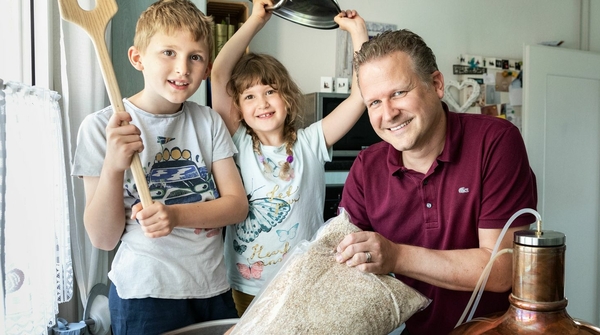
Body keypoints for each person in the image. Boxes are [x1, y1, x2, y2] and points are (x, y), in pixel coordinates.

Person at [334, 29, 538, 335]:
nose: (388, 114)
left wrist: (396, 256)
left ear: (437, 84)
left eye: (399, 93)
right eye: (374, 103)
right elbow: (342, 268)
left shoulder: (495, 142)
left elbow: (501, 269)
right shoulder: (366, 167)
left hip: (491, 331)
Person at [71, 0, 248, 333]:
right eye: (168, 52)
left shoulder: (208, 122)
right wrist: (113, 165)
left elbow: (237, 205)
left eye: (194, 57)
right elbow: (102, 238)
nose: (182, 68)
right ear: (137, 58)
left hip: (212, 289)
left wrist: (176, 215)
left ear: (207, 68)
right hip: (144, 295)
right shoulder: (99, 128)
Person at [210, 0, 369, 316]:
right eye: (250, 96)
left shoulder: (311, 142)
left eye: (270, 91)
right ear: (238, 108)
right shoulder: (237, 142)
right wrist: (256, 19)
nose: (262, 102)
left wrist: (357, 33)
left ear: (286, 97)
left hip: (302, 282)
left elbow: (361, 95)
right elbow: (218, 74)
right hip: (246, 285)